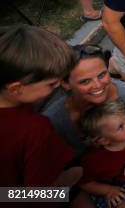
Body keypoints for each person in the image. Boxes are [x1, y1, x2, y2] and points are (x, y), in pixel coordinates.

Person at [42, 44, 125, 207]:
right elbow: (51, 180)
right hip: (88, 182)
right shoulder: (53, 122)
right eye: (85, 81)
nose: (98, 85)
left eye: (102, 75)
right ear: (65, 84)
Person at [0, 25, 82, 187]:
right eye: (52, 84)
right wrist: (75, 177)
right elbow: (39, 196)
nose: (60, 85)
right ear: (16, 88)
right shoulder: (34, 129)